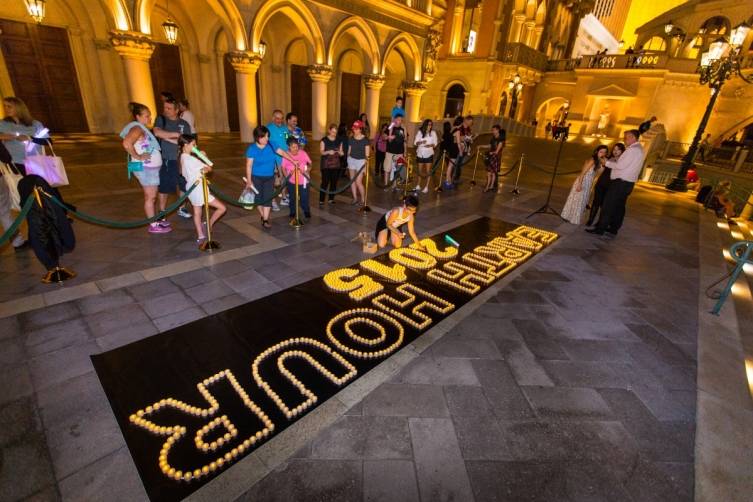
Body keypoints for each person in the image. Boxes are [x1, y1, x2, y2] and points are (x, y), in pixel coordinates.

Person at [121, 102, 168, 234]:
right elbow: (126, 143)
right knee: (150, 197)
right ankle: (153, 225)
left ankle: (154, 221)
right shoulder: (137, 128)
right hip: (146, 169)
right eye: (146, 116)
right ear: (138, 116)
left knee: (151, 196)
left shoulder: (141, 127)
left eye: (150, 116)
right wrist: (139, 156)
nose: (150, 119)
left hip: (150, 169)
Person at [587, 129, 645, 236]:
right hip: (628, 184)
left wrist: (606, 162)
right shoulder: (640, 149)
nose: (624, 140)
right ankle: (613, 228)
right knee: (619, 207)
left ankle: (600, 229)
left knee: (608, 206)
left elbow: (620, 166)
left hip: (620, 183)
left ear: (633, 137)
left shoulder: (632, 150)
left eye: (626, 137)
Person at [178, 134, 226, 245]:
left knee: (197, 212)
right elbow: (208, 168)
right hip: (198, 188)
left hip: (191, 186)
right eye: (193, 145)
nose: (196, 147)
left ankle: (200, 235)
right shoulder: (190, 159)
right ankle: (208, 224)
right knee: (222, 208)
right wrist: (204, 156)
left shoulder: (183, 156)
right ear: (186, 145)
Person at [246, 125, 296, 229]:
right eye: (264, 137)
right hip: (256, 177)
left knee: (268, 198)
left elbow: (282, 152)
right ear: (258, 137)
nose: (267, 139)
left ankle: (265, 219)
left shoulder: (272, 144)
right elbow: (249, 166)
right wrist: (249, 181)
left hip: (269, 177)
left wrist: (292, 160)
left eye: (268, 136)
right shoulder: (252, 149)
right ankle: (263, 216)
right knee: (258, 199)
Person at [153, 98, 192, 224]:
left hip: (181, 160)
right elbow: (157, 132)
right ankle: (162, 211)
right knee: (164, 187)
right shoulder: (161, 119)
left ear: (177, 110)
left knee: (183, 185)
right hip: (166, 159)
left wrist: (168, 137)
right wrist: (176, 136)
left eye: (169, 108)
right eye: (164, 107)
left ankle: (181, 207)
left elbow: (187, 143)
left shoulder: (184, 124)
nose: (166, 110)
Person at [0, 96, 50, 177]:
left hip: (35, 161)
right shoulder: (2, 124)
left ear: (19, 108)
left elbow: (48, 141)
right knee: (20, 187)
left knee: (42, 187)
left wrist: (30, 138)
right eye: (4, 106)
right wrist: (2, 136)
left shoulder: (35, 124)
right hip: (13, 162)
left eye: (9, 106)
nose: (6, 109)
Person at [562, 145, 608, 225]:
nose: (603, 154)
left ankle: (573, 218)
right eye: (601, 152)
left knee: (582, 201)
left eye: (605, 152)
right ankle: (570, 217)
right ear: (597, 152)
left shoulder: (598, 161)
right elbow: (582, 173)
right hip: (582, 181)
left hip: (588, 183)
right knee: (577, 200)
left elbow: (599, 173)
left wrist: (604, 164)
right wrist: (579, 184)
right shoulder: (592, 160)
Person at [587, 142, 624, 227]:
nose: (616, 151)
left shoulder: (622, 162)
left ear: (622, 151)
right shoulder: (608, 158)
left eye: (618, 150)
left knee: (604, 206)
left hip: (610, 186)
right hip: (601, 183)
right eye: (614, 149)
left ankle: (599, 223)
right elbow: (599, 167)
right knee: (595, 203)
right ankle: (590, 220)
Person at [281, 136, 312, 219]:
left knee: (304, 197)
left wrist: (308, 170)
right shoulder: (286, 155)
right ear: (289, 147)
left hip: (304, 180)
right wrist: (286, 176)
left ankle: (306, 210)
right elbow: (283, 167)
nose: (295, 149)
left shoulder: (303, 153)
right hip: (292, 181)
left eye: (297, 146)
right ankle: (293, 212)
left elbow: (310, 163)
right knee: (293, 198)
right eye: (293, 147)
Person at [266, 110, 289, 212]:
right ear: (273, 118)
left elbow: (288, 140)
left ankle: (283, 198)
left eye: (281, 118)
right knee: (275, 182)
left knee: (284, 179)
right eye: (277, 118)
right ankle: (272, 201)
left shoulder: (285, 129)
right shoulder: (268, 129)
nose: (279, 120)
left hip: (285, 158)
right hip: (274, 160)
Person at [319, 124, 344, 206]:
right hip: (326, 164)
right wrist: (328, 152)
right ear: (329, 131)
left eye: (335, 132)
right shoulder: (324, 140)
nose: (334, 134)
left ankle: (331, 199)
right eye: (333, 132)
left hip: (336, 164)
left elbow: (341, 152)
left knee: (334, 182)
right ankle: (321, 200)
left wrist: (341, 153)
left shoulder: (339, 140)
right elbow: (321, 152)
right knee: (325, 182)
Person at [347, 120, 370, 206]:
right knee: (352, 180)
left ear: (360, 129)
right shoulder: (351, 138)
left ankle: (363, 199)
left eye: (356, 129)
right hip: (351, 160)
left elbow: (367, 155)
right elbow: (349, 151)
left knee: (358, 182)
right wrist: (348, 158)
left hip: (361, 161)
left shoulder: (365, 140)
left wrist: (365, 166)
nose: (354, 130)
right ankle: (355, 198)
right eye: (354, 129)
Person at [414, 119, 438, 193]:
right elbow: (415, 143)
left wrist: (430, 145)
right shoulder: (420, 132)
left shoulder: (433, 133)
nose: (429, 126)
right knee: (419, 171)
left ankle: (426, 186)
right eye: (428, 124)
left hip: (429, 153)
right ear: (425, 125)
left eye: (431, 125)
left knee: (428, 171)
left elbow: (435, 143)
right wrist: (421, 141)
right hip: (420, 153)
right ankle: (418, 185)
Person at [384, 115, 407, 188]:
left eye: (401, 120)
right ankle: (386, 185)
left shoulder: (403, 129)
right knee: (387, 169)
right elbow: (383, 136)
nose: (399, 121)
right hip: (390, 152)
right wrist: (388, 137)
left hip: (399, 153)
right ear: (395, 120)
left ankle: (394, 185)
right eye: (398, 119)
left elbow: (405, 141)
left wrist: (405, 151)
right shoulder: (391, 127)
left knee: (398, 169)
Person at [438, 118, 460, 192]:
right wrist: (460, 151)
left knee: (449, 166)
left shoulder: (452, 129)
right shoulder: (457, 131)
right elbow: (458, 142)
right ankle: (448, 181)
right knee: (450, 166)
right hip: (454, 149)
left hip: (450, 149)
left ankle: (448, 180)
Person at [484, 125, 505, 193]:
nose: (492, 131)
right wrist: (481, 146)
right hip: (491, 157)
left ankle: (489, 186)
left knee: (491, 173)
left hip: (495, 157)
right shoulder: (493, 138)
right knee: (489, 173)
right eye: (492, 130)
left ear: (497, 130)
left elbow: (497, 151)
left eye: (494, 130)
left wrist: (491, 153)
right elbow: (490, 145)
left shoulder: (501, 140)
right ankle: (490, 186)